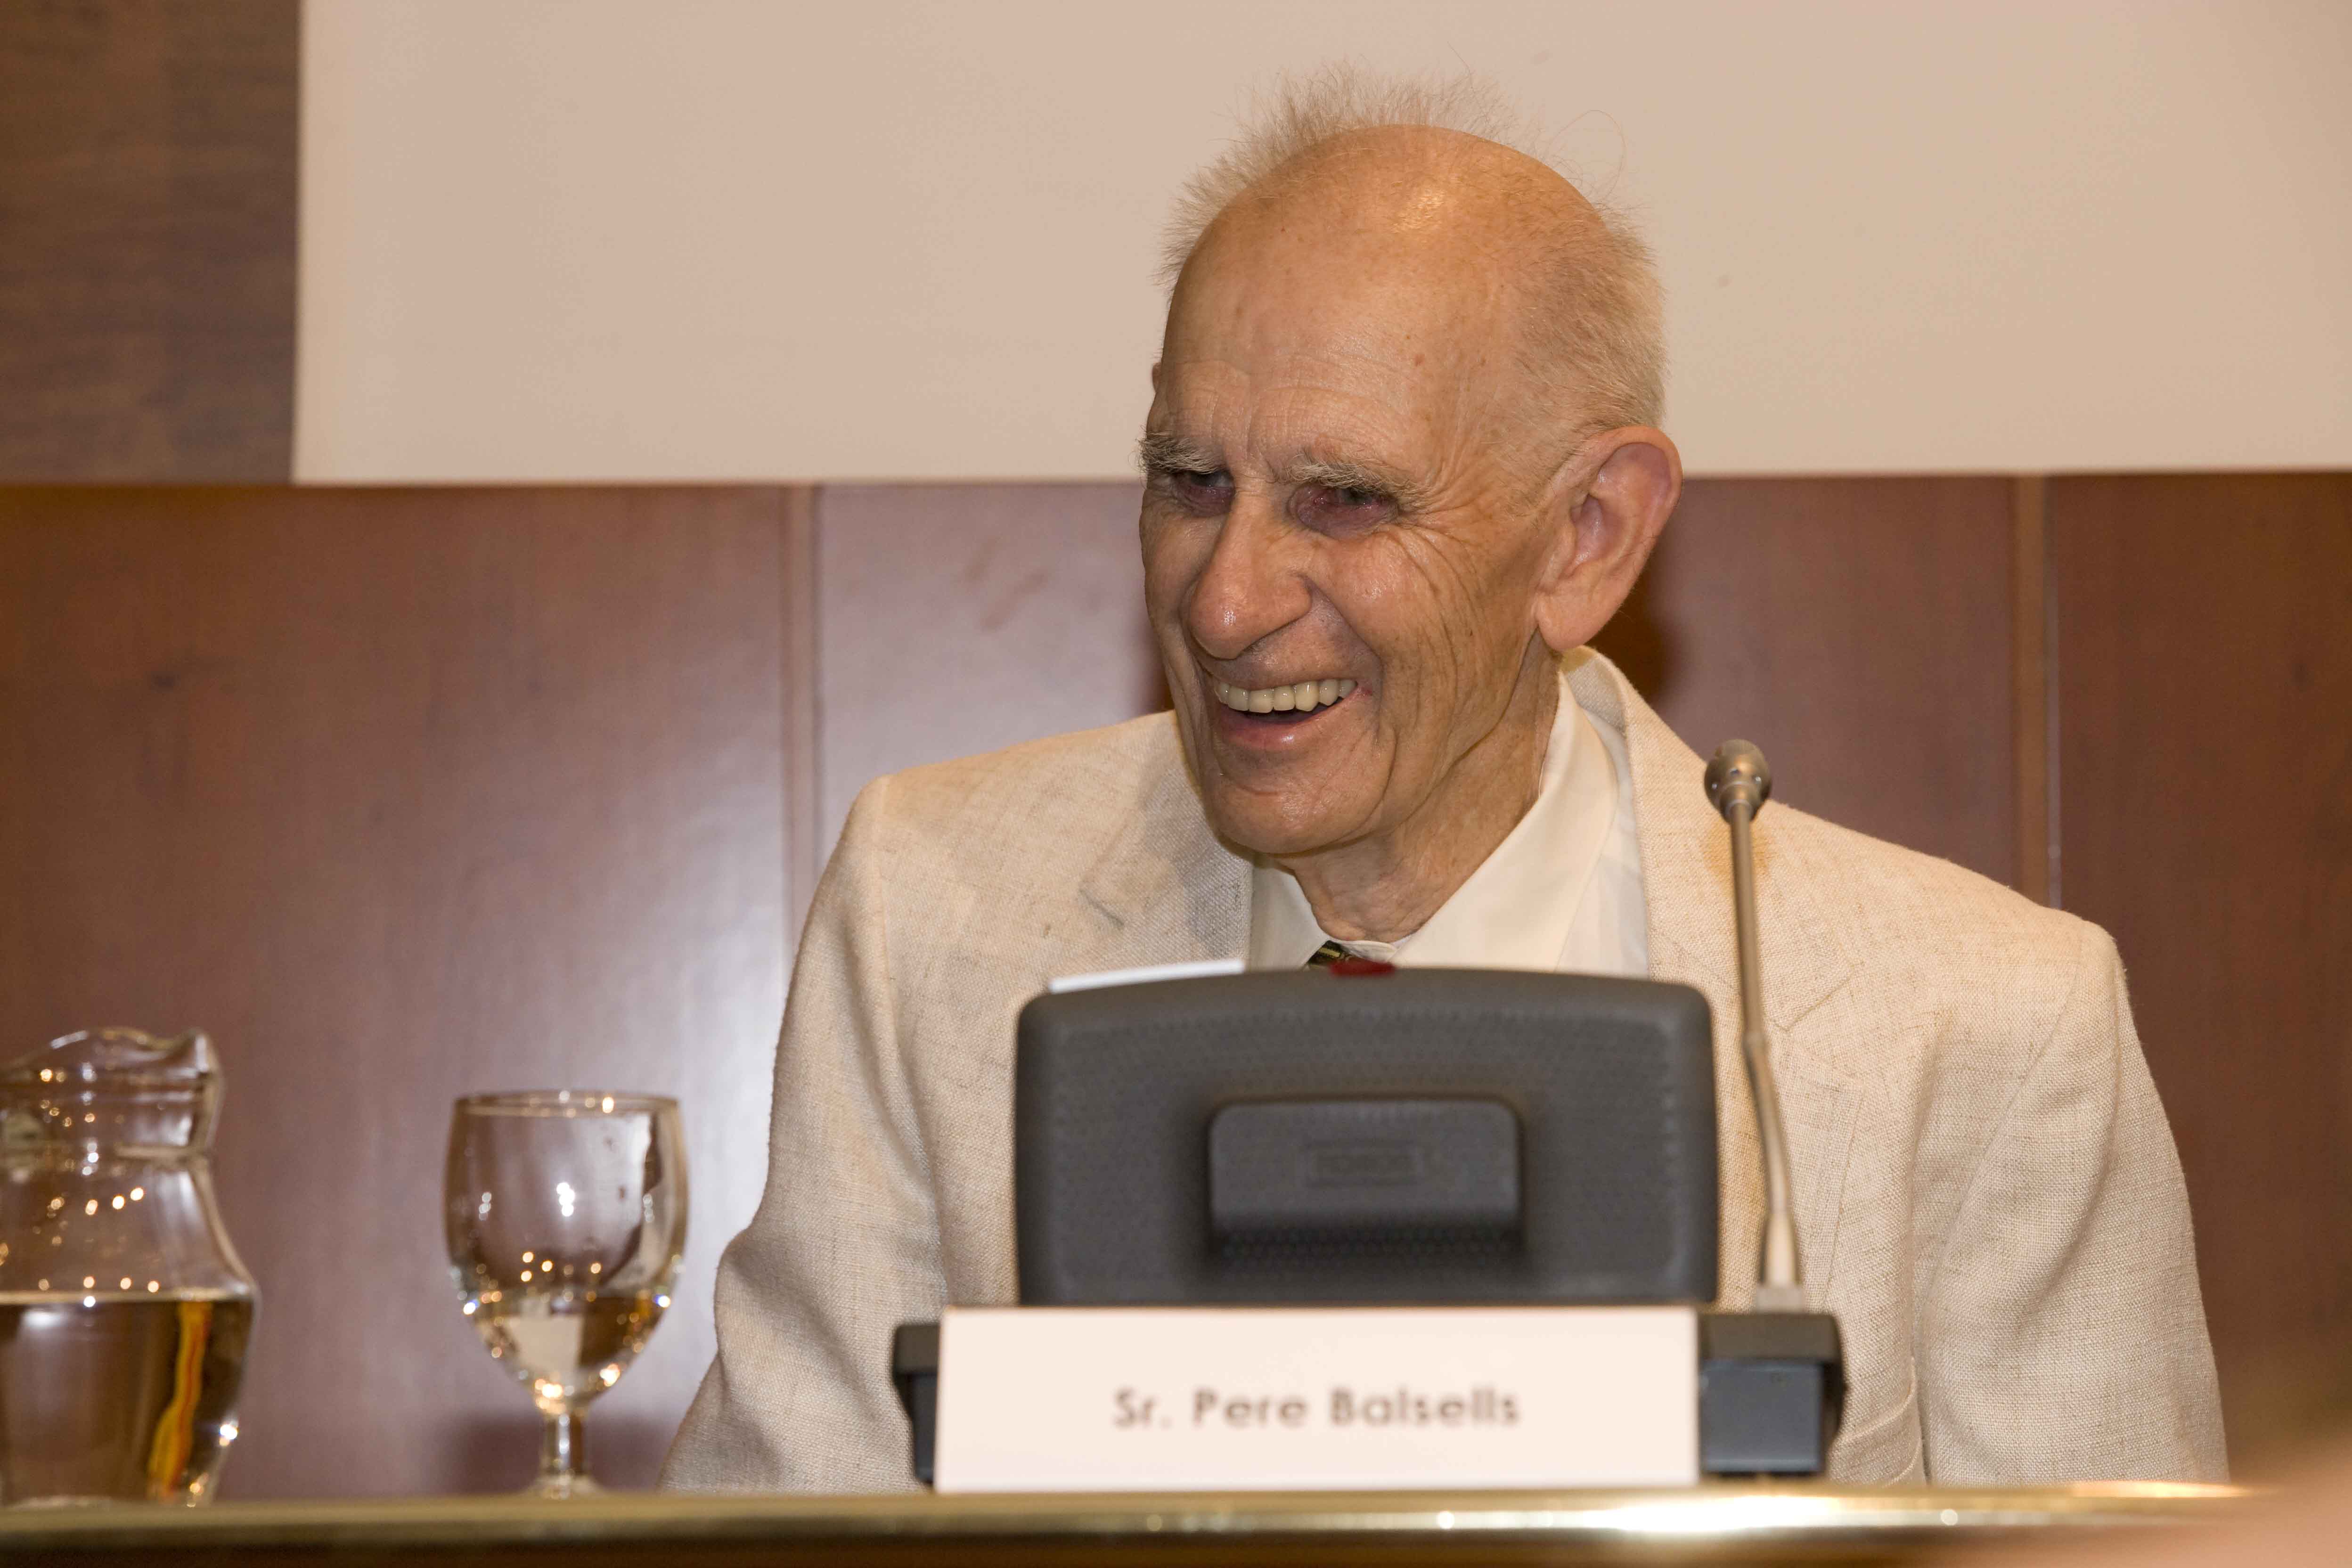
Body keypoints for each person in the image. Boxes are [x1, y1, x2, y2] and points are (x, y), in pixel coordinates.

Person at [662, 69, 2223, 1490]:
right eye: (1189, 481)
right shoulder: (930, 910)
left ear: (1586, 537)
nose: (1225, 602)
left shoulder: (1989, 1029)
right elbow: (786, 1525)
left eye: (1343, 501)